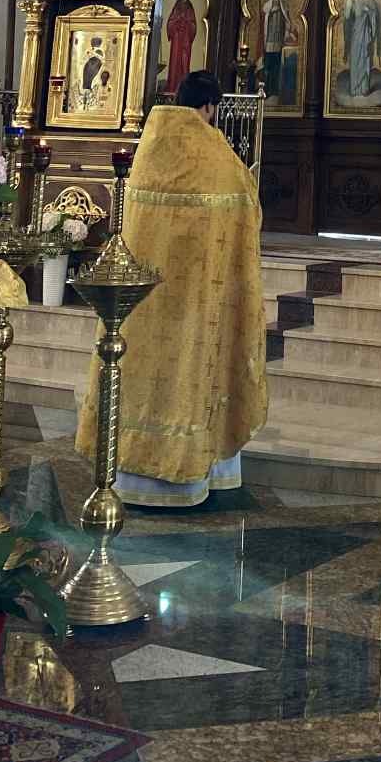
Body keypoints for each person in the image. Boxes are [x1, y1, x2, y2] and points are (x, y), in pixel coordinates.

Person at [79, 70, 267, 508]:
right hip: (197, 303)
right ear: (210, 107)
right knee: (189, 376)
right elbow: (246, 212)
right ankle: (187, 478)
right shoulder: (218, 160)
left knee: (136, 372)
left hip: (140, 304)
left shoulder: (149, 150)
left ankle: (126, 473)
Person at [163, 0, 199, 97]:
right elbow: (170, 22)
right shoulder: (176, 6)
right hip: (176, 39)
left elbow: (193, 24)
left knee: (184, 63)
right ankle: (172, 87)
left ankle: (183, 88)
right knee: (174, 63)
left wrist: (186, 23)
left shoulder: (189, 6)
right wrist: (177, 21)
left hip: (185, 41)